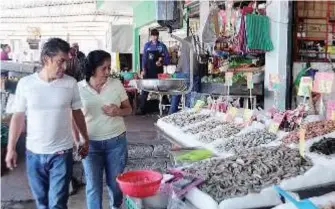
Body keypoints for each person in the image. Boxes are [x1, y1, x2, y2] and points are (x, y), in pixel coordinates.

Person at [5, 38, 90, 209]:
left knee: (58, 203)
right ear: (46, 59)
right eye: (60, 62)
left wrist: (84, 138)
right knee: (42, 202)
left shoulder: (70, 83)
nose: (64, 67)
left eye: (66, 62)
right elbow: (18, 118)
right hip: (34, 154)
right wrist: (11, 148)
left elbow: (77, 113)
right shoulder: (26, 84)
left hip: (61, 153)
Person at [75, 50, 132, 209]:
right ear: (93, 69)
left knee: (115, 185)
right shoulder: (79, 88)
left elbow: (129, 109)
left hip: (116, 142)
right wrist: (78, 139)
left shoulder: (115, 84)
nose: (108, 72)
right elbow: (72, 117)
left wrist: (118, 111)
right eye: (104, 68)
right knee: (93, 187)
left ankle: (116, 207)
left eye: (109, 67)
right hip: (90, 144)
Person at [138, 29, 170, 115]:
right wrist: (143, 70)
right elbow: (144, 59)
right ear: (150, 36)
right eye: (153, 35)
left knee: (162, 90)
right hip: (148, 71)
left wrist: (162, 62)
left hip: (158, 72)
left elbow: (167, 59)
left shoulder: (162, 46)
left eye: (156, 35)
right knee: (144, 90)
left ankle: (167, 108)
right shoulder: (147, 46)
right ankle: (142, 109)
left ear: (158, 36)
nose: (154, 37)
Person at [169, 36, 201, 114]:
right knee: (191, 97)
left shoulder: (184, 45)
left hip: (179, 73)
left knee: (176, 96)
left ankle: (170, 115)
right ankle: (188, 114)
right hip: (190, 73)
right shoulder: (196, 46)